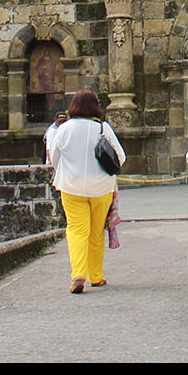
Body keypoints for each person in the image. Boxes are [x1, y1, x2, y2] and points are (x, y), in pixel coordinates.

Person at [49, 89, 125, 293]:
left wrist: (64, 172)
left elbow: (54, 157)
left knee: (76, 230)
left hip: (71, 187)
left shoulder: (64, 129)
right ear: (95, 107)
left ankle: (78, 274)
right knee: (96, 232)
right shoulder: (102, 128)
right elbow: (121, 156)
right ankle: (97, 276)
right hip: (101, 188)